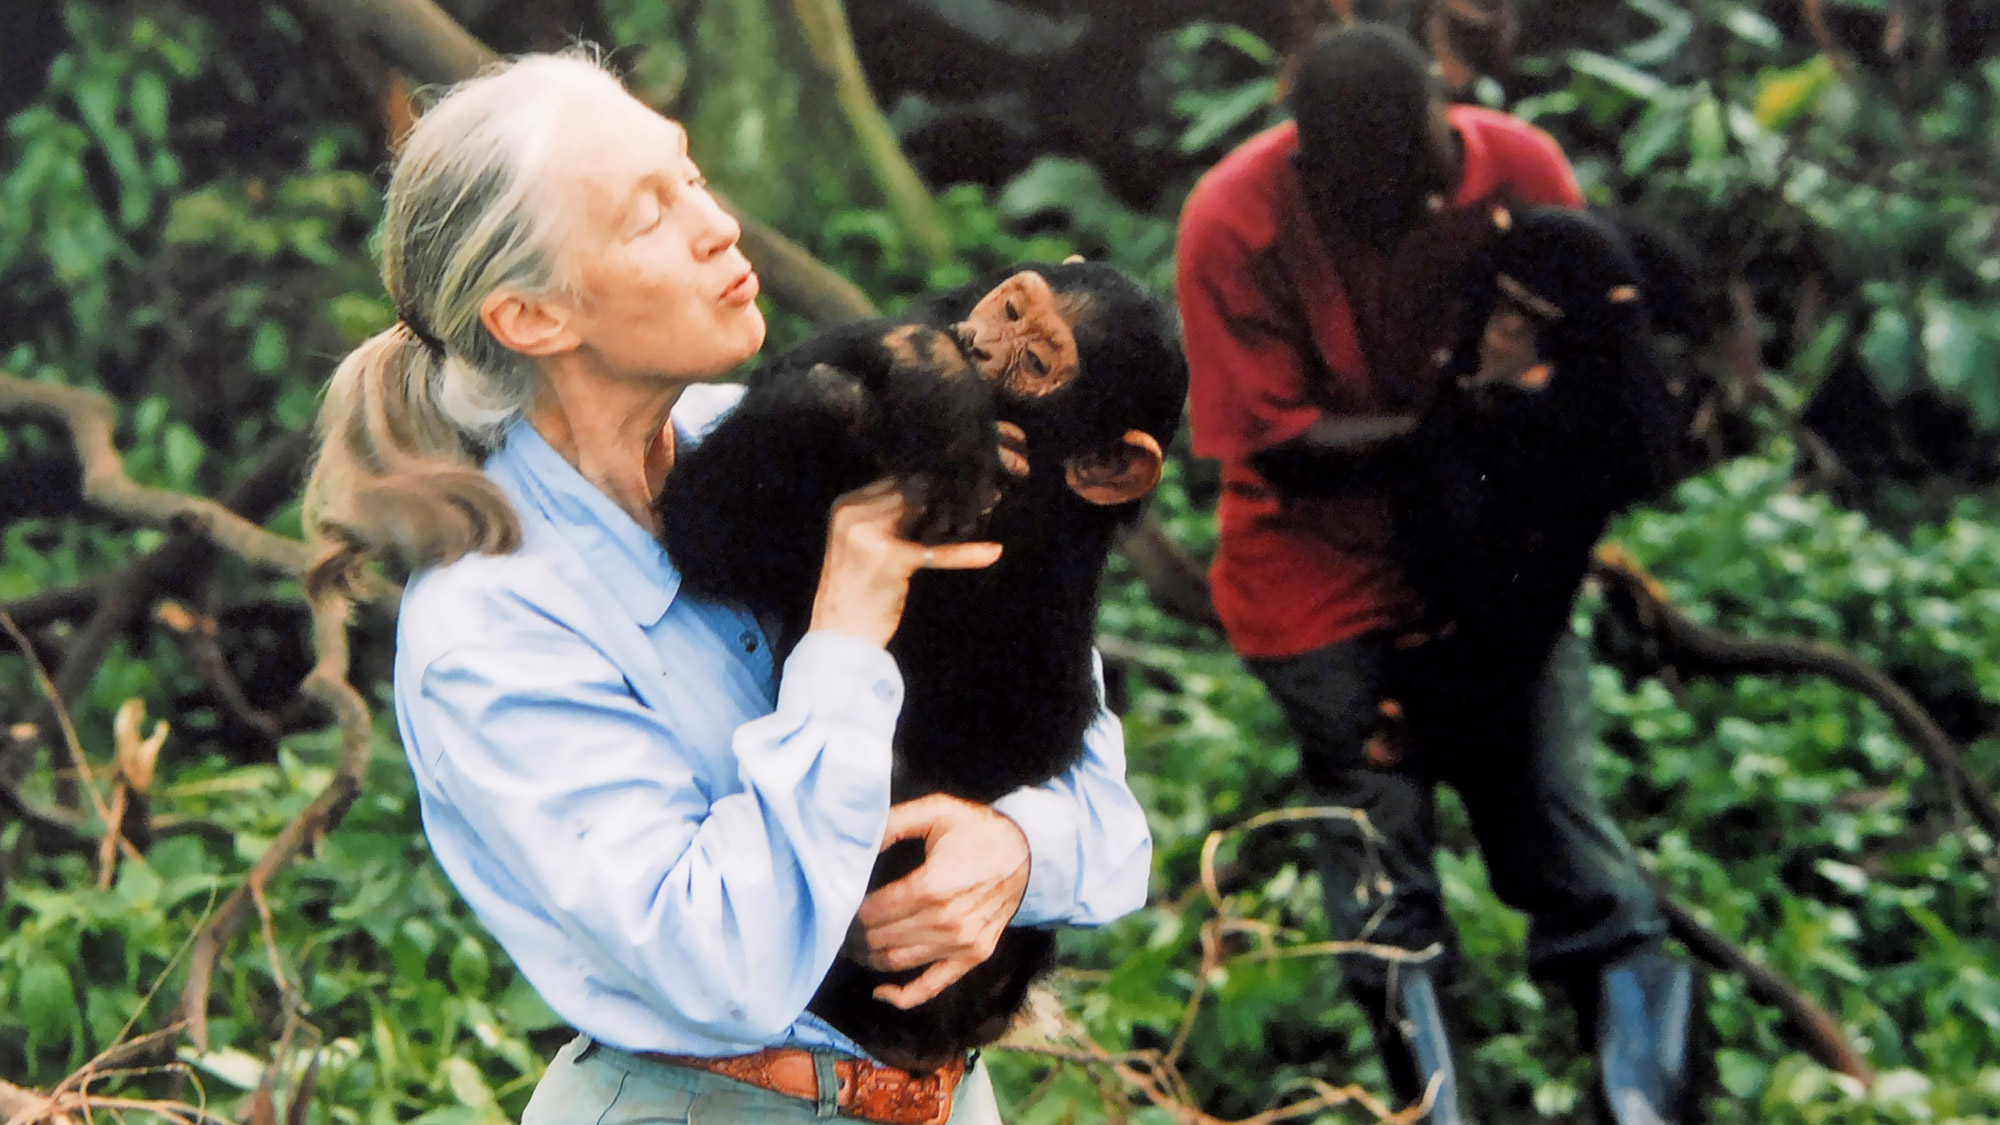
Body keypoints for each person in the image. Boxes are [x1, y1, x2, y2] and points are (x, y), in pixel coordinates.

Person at [302, 53, 1151, 1125]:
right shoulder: (491, 623)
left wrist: (1016, 851)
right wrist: (846, 628)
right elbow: (726, 969)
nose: (717, 225)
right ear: (533, 318)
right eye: (647, 216)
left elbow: (1103, 807)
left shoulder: (758, 435)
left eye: (692, 176)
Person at [1173, 25, 1698, 1125]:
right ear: (1314, 170)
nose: (1418, 214)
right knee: (1380, 852)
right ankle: (1433, 1108)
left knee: (1554, 821)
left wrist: (1511, 595)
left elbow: (1598, 401)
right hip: (1315, 571)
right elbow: (1275, 445)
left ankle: (1644, 1103)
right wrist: (1457, 422)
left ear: (1445, 120)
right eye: (1382, 202)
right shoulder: (1235, 220)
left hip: (1494, 557)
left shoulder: (1518, 168)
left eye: (1431, 183)